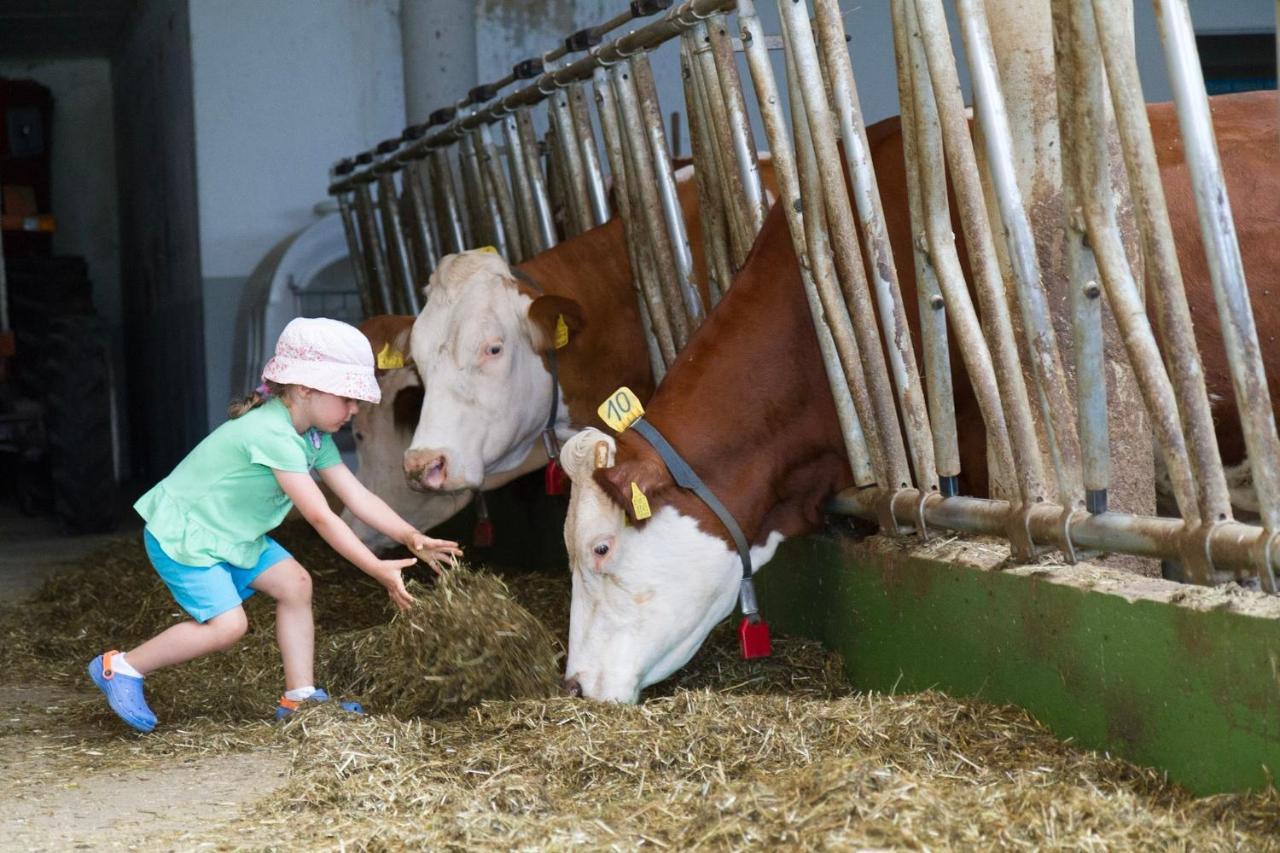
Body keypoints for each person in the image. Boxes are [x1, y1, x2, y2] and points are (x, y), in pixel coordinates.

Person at [88, 317, 461, 733]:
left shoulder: (312, 437)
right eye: (347, 397)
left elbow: (357, 497)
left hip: (234, 534)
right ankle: (120, 668)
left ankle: (299, 697)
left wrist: (410, 536)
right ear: (304, 389)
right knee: (228, 627)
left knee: (296, 584)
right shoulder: (272, 433)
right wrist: (376, 569)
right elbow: (321, 515)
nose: (355, 409)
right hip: (189, 534)